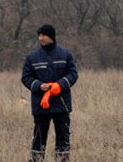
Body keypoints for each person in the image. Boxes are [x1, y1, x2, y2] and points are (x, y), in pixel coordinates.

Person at [21, 24, 78, 162]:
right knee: (39, 139)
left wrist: (60, 85)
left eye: (44, 35)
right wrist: (39, 86)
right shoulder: (32, 57)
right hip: (41, 106)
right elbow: (26, 78)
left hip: (61, 105)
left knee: (63, 139)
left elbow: (73, 74)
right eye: (39, 36)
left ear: (51, 36)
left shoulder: (65, 54)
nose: (41, 38)